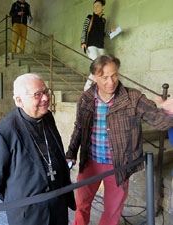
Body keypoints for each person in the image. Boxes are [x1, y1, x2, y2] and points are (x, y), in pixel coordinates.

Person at [66, 54, 173, 225]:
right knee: (82, 204)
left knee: (112, 211)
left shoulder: (132, 98)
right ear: (94, 78)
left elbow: (159, 121)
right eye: (104, 77)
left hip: (118, 166)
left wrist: (170, 112)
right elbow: (79, 127)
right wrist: (71, 153)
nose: (111, 81)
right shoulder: (86, 98)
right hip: (90, 162)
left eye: (114, 74)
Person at [0, 73, 75, 225]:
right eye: (37, 95)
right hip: (28, 214)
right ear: (19, 100)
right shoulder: (2, 133)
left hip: (58, 205)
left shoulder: (47, 117)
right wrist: (19, 200)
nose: (45, 98)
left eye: (45, 91)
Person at [81, 0, 115, 91]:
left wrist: (110, 32)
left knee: (102, 67)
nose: (95, 8)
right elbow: (84, 29)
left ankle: (97, 88)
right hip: (91, 45)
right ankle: (87, 87)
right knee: (98, 66)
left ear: (103, 7)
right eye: (94, 6)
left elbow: (102, 34)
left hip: (100, 46)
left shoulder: (103, 20)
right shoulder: (90, 17)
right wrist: (83, 42)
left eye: (97, 6)